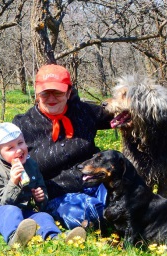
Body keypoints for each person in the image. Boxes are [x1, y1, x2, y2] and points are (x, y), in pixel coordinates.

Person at [12, 64, 113, 231]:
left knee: (132, 201)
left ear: (68, 92)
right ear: (37, 93)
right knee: (88, 214)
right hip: (59, 196)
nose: (51, 98)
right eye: (45, 93)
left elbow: (121, 114)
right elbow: (6, 162)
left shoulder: (85, 112)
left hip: (96, 182)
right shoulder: (23, 125)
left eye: (57, 92)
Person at [0, 122, 86, 247]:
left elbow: (40, 187)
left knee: (43, 216)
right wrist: (13, 182)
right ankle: (15, 238)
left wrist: (40, 197)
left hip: (22, 210)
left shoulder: (31, 165)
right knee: (12, 211)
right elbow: (2, 203)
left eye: (20, 143)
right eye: (10, 148)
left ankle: (54, 238)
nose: (18, 149)